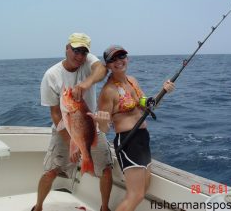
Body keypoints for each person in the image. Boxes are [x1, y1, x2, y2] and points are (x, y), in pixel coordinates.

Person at [32, 33, 113, 211]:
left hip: (91, 127)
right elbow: (55, 114)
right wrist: (71, 143)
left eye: (84, 52)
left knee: (106, 168)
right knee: (51, 171)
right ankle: (38, 207)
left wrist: (86, 84)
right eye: (76, 50)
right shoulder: (51, 75)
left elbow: (102, 69)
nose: (79, 56)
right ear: (67, 49)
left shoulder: (87, 62)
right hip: (64, 127)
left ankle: (104, 208)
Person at [90, 45, 175, 211]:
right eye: (112, 60)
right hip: (128, 142)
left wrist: (163, 91)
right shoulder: (108, 91)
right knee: (135, 195)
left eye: (121, 56)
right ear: (107, 65)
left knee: (144, 189)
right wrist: (100, 122)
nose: (118, 62)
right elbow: (105, 129)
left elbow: (146, 106)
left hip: (143, 139)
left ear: (127, 58)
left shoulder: (132, 81)